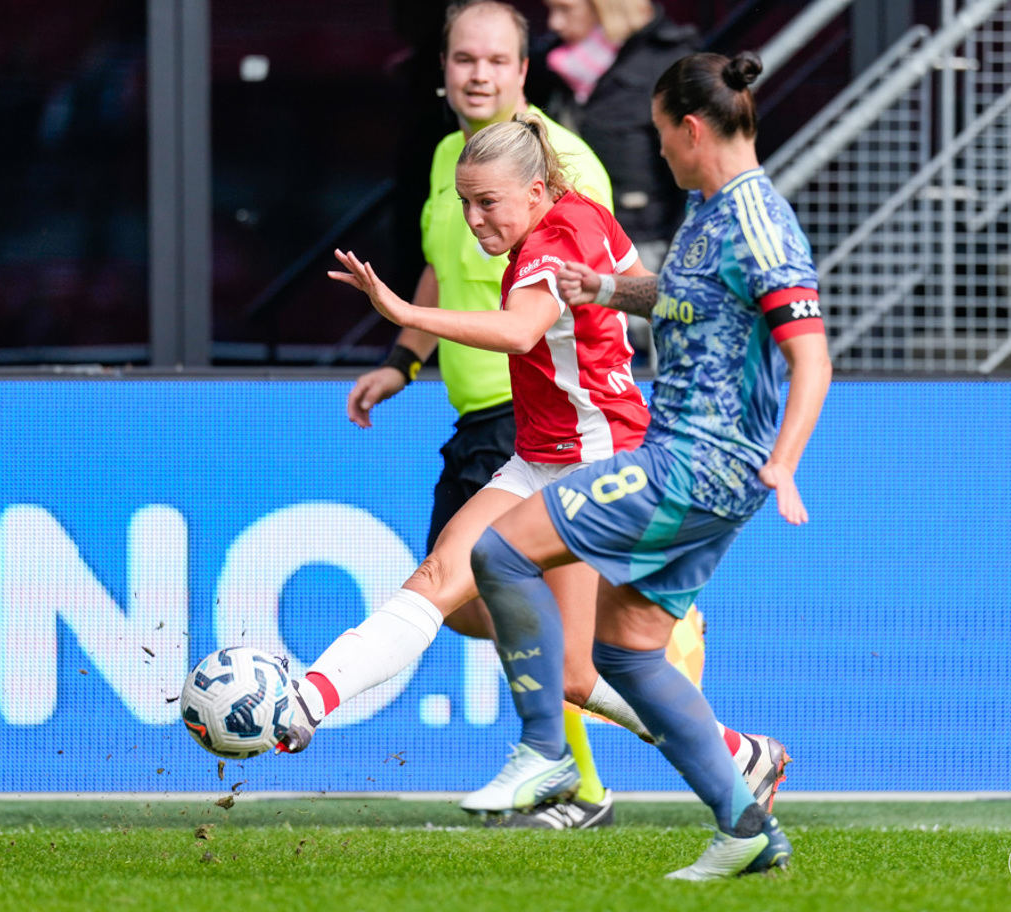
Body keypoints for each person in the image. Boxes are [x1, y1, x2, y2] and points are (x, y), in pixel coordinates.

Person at [284, 0, 787, 828]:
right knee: (453, 587)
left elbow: (521, 329)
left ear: (537, 187)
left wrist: (397, 310)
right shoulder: (555, 211)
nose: (475, 221)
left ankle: (689, 755)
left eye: (488, 205)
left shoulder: (555, 233)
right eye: (466, 204)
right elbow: (636, 284)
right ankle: (306, 701)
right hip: (539, 450)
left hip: (598, 461)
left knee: (569, 664)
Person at [463, 51, 831, 880]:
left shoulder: (760, 224)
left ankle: (544, 752)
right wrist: (602, 289)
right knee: (627, 652)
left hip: (698, 463)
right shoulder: (709, 208)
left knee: (500, 550)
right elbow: (683, 300)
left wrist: (786, 461)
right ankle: (746, 828)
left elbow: (810, 357)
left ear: (691, 130)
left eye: (660, 134)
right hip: (696, 460)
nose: (657, 150)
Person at [530, 0, 699, 369]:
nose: (554, 23)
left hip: (646, 247)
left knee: (645, 367)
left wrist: (679, 262)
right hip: (575, 245)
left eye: (565, 9)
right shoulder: (553, 67)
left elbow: (695, 174)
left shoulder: (667, 62)